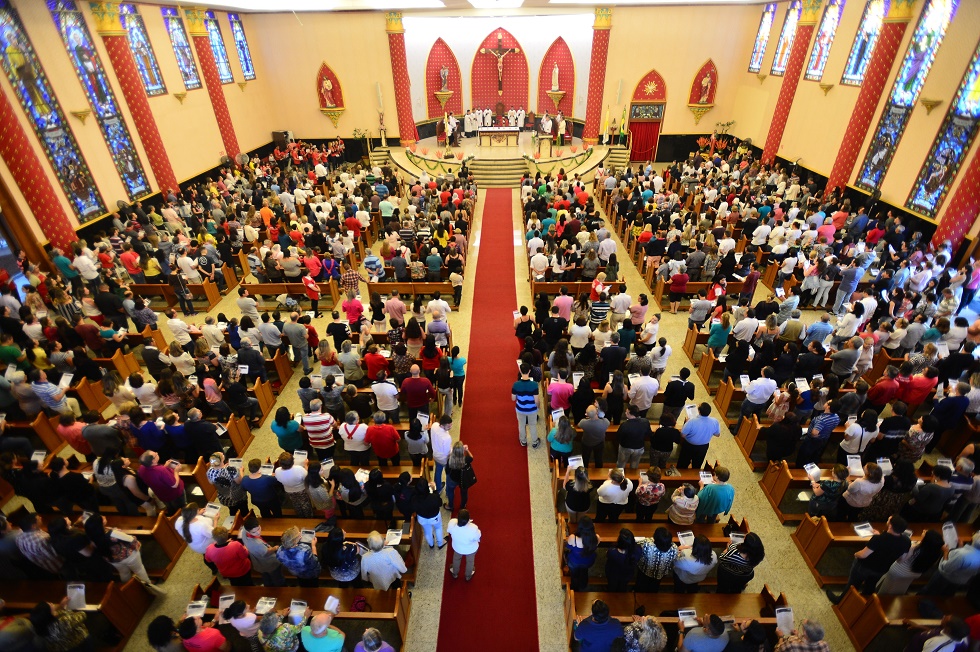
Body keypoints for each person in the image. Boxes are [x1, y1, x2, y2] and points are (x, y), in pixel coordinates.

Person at [826, 515, 911, 603]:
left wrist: (856, 554)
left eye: (889, 520)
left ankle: (840, 601)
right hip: (881, 569)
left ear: (890, 526)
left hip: (864, 567)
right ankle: (865, 603)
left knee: (853, 585)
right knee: (870, 586)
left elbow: (863, 555)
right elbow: (901, 559)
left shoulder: (878, 539)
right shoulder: (906, 541)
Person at [876, 528, 944, 594]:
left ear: (927, 540)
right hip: (914, 574)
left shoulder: (914, 548)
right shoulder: (936, 553)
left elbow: (901, 560)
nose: (923, 531)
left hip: (898, 571)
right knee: (901, 587)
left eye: (925, 533)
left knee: (886, 588)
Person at [920, 530, 980, 595]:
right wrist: (961, 547)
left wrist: (946, 552)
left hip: (945, 578)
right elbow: (964, 563)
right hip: (959, 580)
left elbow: (946, 567)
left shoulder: (961, 554)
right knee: (947, 595)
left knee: (929, 591)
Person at [239, 514, 285, 586]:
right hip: (269, 562)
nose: (258, 532)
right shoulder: (257, 544)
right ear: (248, 531)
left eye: (258, 528)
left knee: (265, 575)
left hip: (258, 562)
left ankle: (268, 585)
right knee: (277, 577)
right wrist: (275, 548)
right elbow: (266, 552)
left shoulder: (244, 530)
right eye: (254, 532)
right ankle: (281, 588)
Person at [635, 526, 679, 592]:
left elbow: (637, 543)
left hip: (644, 570)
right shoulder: (674, 549)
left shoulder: (647, 544)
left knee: (641, 586)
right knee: (654, 586)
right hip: (660, 573)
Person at [678, 402, 721, 469]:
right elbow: (717, 434)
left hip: (689, 446)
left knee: (683, 462)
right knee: (697, 464)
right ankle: (694, 476)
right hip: (703, 447)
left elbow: (682, 435)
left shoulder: (691, 421)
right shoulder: (715, 421)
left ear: (699, 411)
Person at [566, 515, 599, 590]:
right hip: (588, 561)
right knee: (584, 571)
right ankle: (583, 585)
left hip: (574, 561)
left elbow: (568, 546)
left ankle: (574, 587)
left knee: (574, 574)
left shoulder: (573, 538)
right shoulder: (596, 538)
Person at [447, 508, 481, 581]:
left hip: (457, 547)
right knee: (470, 561)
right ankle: (468, 576)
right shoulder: (473, 528)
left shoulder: (452, 523)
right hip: (470, 549)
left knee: (456, 559)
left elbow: (449, 530)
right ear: (468, 518)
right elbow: (478, 537)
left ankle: (455, 573)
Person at [605, 528, 640, 592]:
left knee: (612, 586)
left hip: (613, 573)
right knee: (623, 586)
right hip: (627, 574)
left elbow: (607, 555)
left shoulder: (613, 552)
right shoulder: (637, 550)